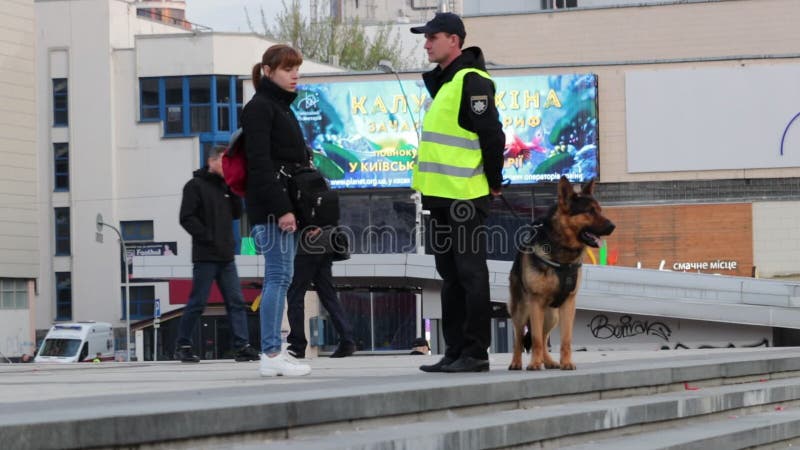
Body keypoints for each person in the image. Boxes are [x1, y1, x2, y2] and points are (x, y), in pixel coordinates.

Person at [410, 12, 505, 373]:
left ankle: (475, 352)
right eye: (426, 37)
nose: (426, 43)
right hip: (441, 197)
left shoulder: (472, 81)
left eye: (433, 36)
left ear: (454, 40)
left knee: (469, 274)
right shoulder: (447, 82)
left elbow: (492, 136)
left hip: (465, 195)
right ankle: (454, 351)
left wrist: (494, 182)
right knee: (450, 276)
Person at [242, 44, 311, 377]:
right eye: (287, 69)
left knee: (282, 278)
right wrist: (283, 209)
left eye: (296, 68)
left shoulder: (281, 107)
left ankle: (274, 351)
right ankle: (270, 353)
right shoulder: (260, 108)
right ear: (268, 72)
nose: (294, 74)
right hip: (271, 210)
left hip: (281, 208)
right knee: (278, 277)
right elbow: (259, 165)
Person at [173, 146, 259, 363]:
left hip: (227, 256)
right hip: (206, 255)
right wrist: (206, 236)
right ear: (211, 161)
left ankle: (242, 346)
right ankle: (183, 345)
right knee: (198, 302)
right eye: (224, 162)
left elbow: (237, 214)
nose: (227, 166)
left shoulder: (226, 187)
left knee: (236, 301)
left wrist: (234, 188)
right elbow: (186, 217)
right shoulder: (194, 186)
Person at [286, 227, 356, 359]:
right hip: (326, 242)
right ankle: (347, 339)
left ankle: (297, 345)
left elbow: (302, 210)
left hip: (306, 243)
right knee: (328, 294)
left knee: (295, 295)